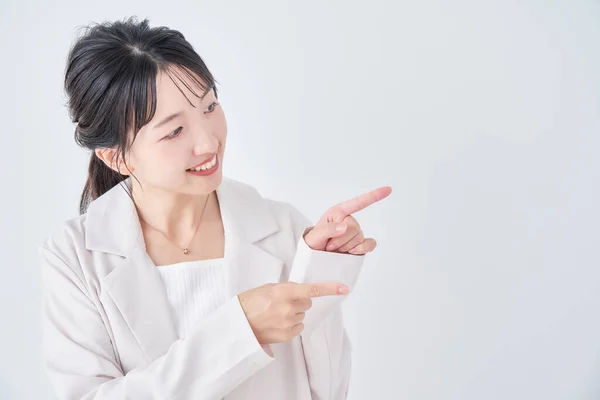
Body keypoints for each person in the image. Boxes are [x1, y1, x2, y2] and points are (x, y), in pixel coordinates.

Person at [39, 16, 392, 400]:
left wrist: (320, 269)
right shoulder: (74, 257)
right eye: (174, 131)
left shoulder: (284, 228)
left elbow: (327, 386)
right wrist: (241, 331)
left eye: (209, 107)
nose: (208, 143)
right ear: (116, 157)